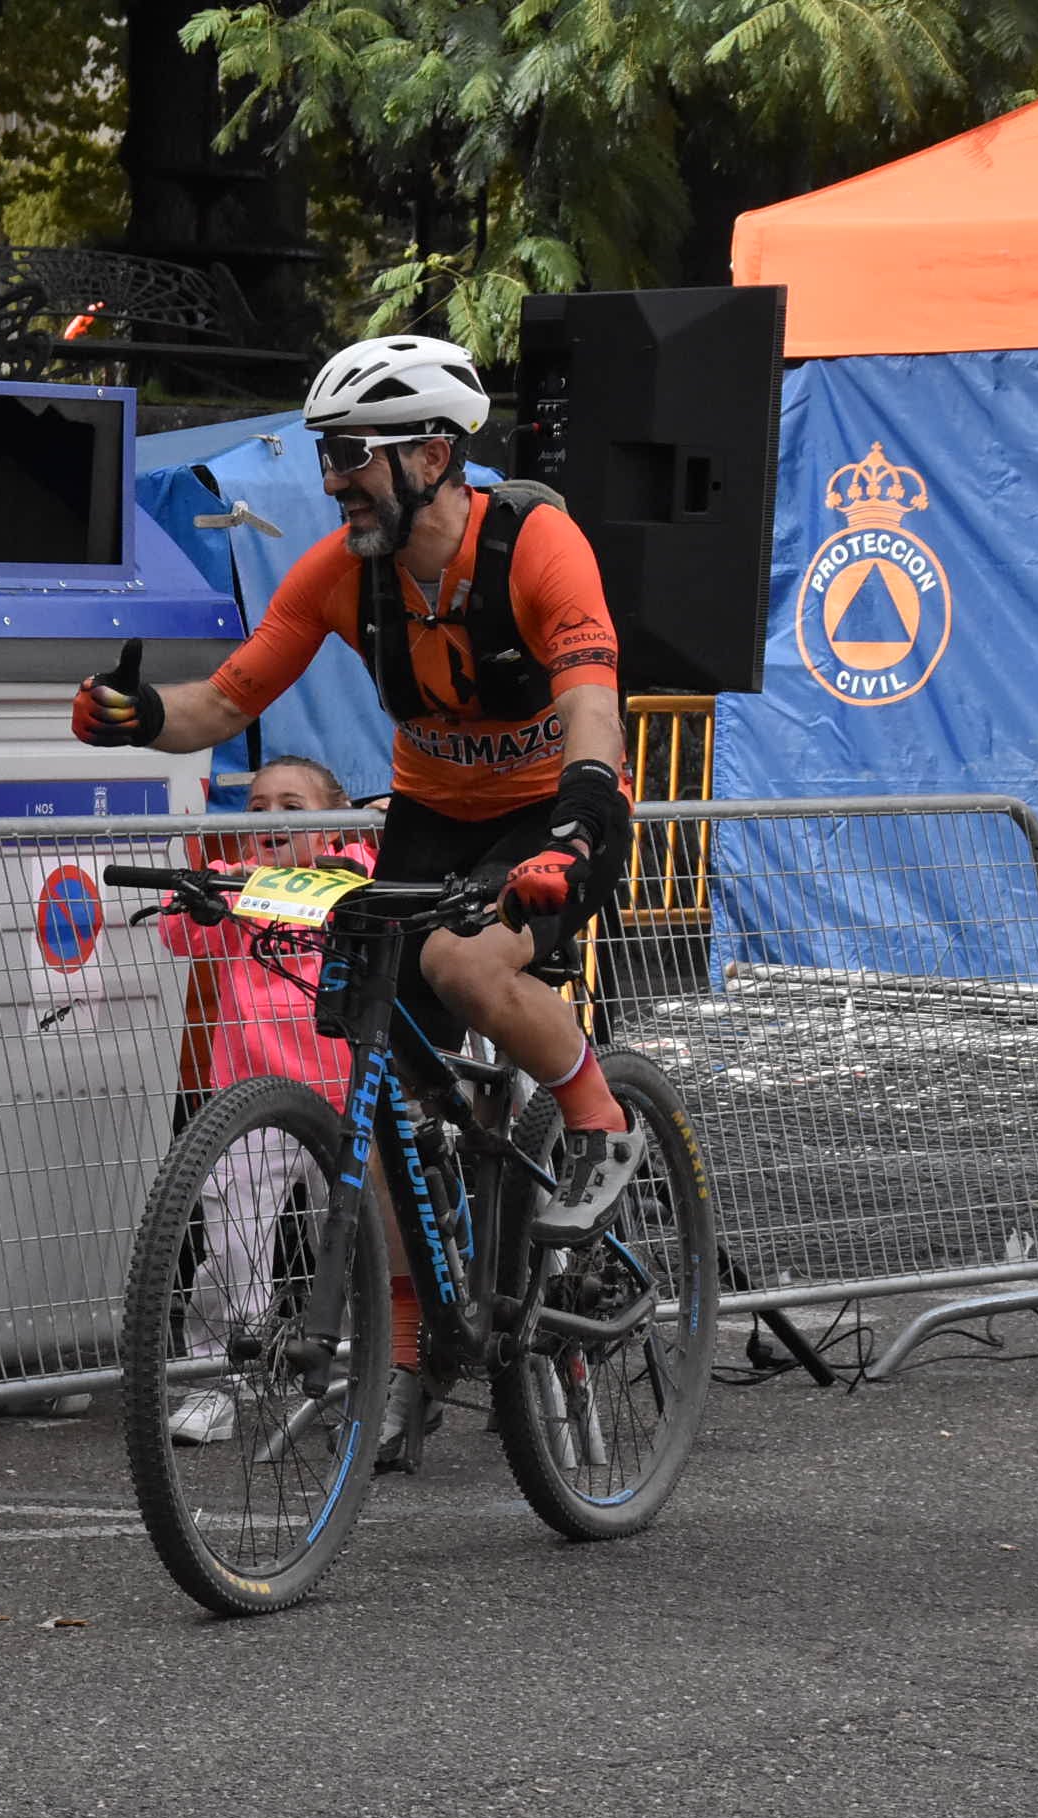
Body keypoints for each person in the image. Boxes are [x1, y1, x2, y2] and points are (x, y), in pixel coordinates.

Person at [74, 335, 641, 1451]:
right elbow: (226, 704)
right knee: (376, 1063)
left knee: (462, 962)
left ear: (433, 453)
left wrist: (578, 826)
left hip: (552, 807)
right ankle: (409, 1335)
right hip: (433, 815)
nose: (331, 479)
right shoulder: (341, 571)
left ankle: (598, 1118)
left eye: (349, 456)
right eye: (327, 456)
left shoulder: (535, 545)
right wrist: (141, 718)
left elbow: (591, 697)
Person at [152, 756, 375, 1444]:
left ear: (333, 820)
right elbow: (176, 931)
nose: (271, 818)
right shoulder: (238, 883)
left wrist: (261, 886)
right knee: (233, 1243)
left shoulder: (358, 871)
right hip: (253, 1099)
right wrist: (204, 893)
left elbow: (365, 868)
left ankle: (371, 1373)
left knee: (354, 1245)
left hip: (350, 1097)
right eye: (255, 808)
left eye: (293, 807)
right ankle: (216, 1381)